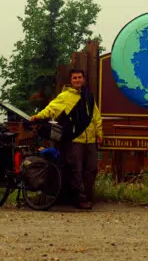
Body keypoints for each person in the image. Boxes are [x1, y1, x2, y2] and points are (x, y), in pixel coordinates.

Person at [30, 69, 103, 209]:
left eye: (79, 77)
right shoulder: (64, 96)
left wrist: (99, 133)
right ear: (71, 80)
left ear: (83, 79)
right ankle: (80, 199)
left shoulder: (89, 96)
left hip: (91, 139)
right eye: (75, 78)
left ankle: (87, 196)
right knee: (76, 170)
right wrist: (38, 116)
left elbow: (96, 116)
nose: (77, 80)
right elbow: (51, 108)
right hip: (75, 139)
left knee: (92, 168)